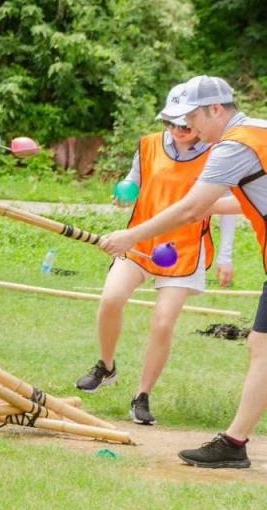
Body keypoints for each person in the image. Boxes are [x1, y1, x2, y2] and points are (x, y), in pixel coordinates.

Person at [100, 77, 267, 468]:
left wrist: (132, 235)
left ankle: (234, 443)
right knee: (261, 346)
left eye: (193, 116)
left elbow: (191, 209)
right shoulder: (258, 130)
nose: (190, 126)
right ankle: (234, 442)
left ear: (216, 110)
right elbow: (250, 202)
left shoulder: (232, 146)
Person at [75, 84, 237, 426]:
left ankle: (142, 395)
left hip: (184, 249)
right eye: (171, 124)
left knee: (163, 323)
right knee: (110, 299)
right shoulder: (148, 144)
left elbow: (227, 209)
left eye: (185, 125)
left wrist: (225, 256)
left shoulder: (217, 153)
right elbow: (135, 179)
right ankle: (106, 366)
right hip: (140, 243)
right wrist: (125, 189)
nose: (178, 131)